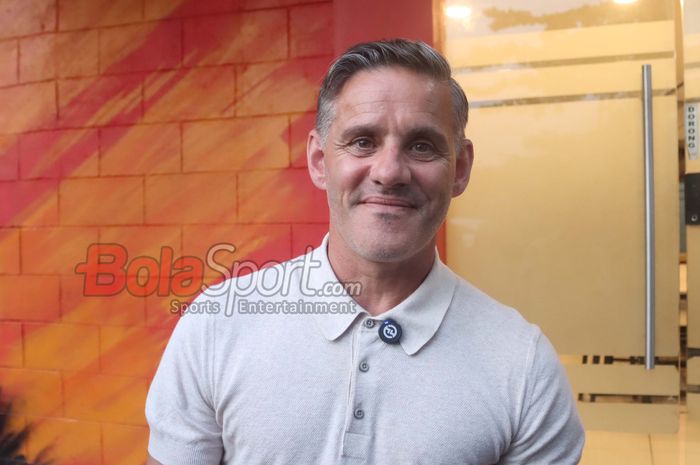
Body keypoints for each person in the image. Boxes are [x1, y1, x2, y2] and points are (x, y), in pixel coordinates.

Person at [145, 39, 585, 465]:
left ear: (461, 168)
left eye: (422, 146)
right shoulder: (218, 325)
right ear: (320, 161)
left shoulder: (524, 366)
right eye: (362, 142)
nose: (389, 172)